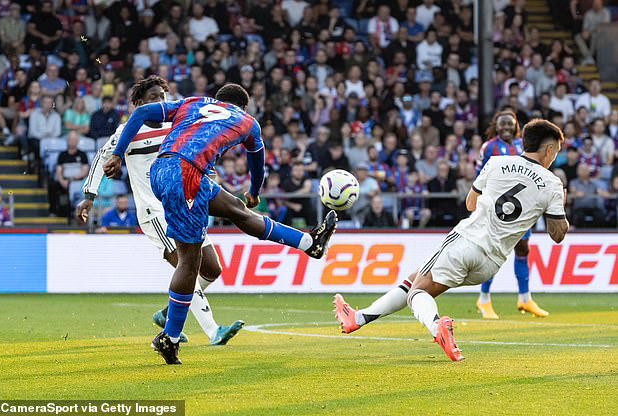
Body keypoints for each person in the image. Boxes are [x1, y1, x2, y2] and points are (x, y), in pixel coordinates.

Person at [102, 83, 338, 364]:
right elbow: (257, 156)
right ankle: (170, 338)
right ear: (244, 107)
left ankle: (309, 243)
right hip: (185, 174)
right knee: (190, 261)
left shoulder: (194, 102)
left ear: (217, 100)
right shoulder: (246, 121)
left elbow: (141, 113)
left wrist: (117, 153)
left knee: (237, 210)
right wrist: (255, 190)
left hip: (166, 170)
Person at [334, 119, 569, 361]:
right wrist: (557, 204)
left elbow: (470, 203)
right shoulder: (552, 183)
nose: (554, 158)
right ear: (549, 149)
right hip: (492, 263)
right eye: (556, 152)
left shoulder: (498, 162)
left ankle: (437, 328)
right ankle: (358, 319)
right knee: (415, 280)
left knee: (417, 293)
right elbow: (557, 234)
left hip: (467, 241)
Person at [77, 76, 244, 347]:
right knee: (187, 266)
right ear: (140, 103)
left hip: (185, 205)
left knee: (212, 269)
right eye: (154, 97)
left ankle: (167, 314)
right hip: (155, 213)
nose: (161, 101)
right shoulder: (127, 131)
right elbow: (101, 158)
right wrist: (89, 196)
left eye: (163, 96)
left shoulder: (176, 125)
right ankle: (213, 331)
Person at [475, 111, 551, 319]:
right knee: (495, 252)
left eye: (510, 124)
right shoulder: (489, 147)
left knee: (523, 249)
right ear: (496, 127)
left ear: (516, 126)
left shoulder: (523, 145)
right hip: (497, 208)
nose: (506, 127)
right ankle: (484, 300)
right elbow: (480, 176)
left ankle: (525, 299)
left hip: (521, 207)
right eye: (503, 124)